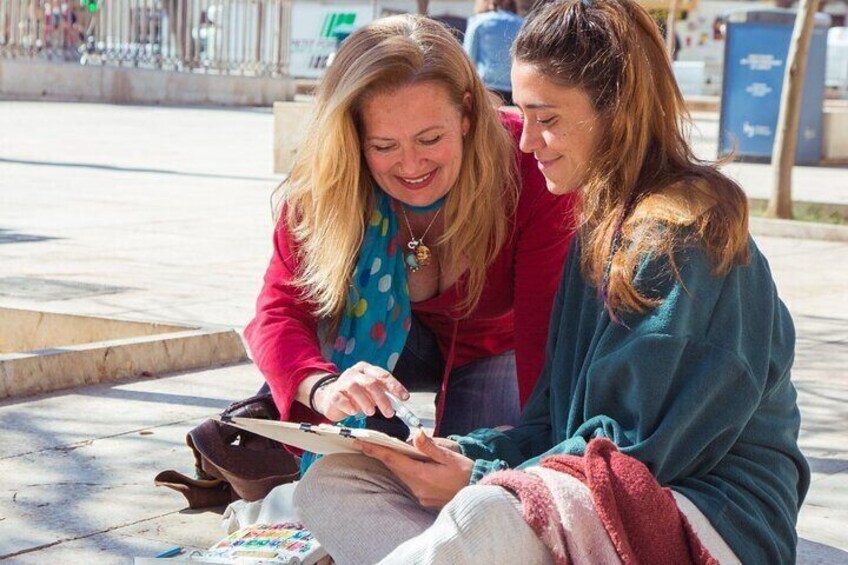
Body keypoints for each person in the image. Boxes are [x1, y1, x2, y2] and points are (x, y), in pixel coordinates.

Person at [294, 1, 811, 563]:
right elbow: (549, 423)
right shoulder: (598, 229)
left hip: (701, 518)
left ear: (616, 112)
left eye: (547, 118)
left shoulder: (686, 238)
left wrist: (479, 478)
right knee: (339, 481)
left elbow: (638, 455)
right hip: (582, 499)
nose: (526, 142)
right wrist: (454, 453)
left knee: (486, 513)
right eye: (522, 114)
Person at [244, 15, 577, 471]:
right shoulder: (327, 179)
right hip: (371, 352)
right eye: (383, 146)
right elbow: (279, 311)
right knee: (348, 471)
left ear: (465, 113)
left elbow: (546, 333)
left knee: (479, 480)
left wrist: (529, 454)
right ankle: (299, 430)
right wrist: (320, 386)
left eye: (430, 138)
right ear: (354, 138)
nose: (411, 165)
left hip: (494, 347)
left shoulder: (529, 166)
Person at [463, 0, 524, 105]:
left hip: (487, 88)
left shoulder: (478, 22)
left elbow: (468, 58)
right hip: (514, 88)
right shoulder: (521, 23)